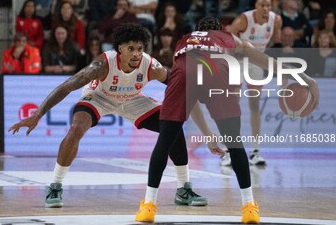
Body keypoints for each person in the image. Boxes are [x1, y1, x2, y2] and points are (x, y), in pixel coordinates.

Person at [134, 16, 320, 224]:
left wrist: (207, 134)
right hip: (218, 72)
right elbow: (267, 62)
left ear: (198, 30)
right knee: (235, 143)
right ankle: (249, 207)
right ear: (220, 30)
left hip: (185, 71)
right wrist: (305, 78)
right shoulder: (230, 38)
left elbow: (191, 101)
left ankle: (149, 206)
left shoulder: (185, 39)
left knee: (165, 141)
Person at [8, 23, 210, 209]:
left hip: (132, 99)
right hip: (99, 97)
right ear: (119, 48)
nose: (136, 54)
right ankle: (55, 185)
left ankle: (184, 189)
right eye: (131, 48)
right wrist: (37, 115)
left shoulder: (151, 66)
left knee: (172, 127)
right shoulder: (102, 65)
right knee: (75, 130)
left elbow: (179, 83)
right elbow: (66, 86)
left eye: (140, 49)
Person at [220, 0, 282, 166]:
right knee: (233, 105)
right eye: (262, 5)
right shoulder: (244, 19)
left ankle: (255, 152)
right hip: (238, 61)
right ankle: (227, 151)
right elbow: (228, 40)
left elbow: (276, 43)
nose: (265, 9)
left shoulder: (276, 20)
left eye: (268, 5)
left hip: (256, 63)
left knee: (255, 106)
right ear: (255, 6)